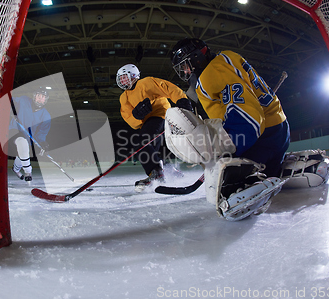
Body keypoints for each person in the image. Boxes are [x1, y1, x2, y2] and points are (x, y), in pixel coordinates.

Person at [166, 38, 291, 220]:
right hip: (279, 131)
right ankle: (281, 170)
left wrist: (229, 147)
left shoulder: (211, 73)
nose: (185, 71)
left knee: (223, 183)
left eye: (185, 65)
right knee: (270, 170)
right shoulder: (228, 57)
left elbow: (249, 119)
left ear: (196, 58)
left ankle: (251, 180)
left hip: (259, 138)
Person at [116, 63, 193, 192]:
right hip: (148, 122)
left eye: (124, 77)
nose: (122, 81)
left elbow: (167, 87)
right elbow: (132, 121)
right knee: (152, 149)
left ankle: (156, 172)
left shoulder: (146, 83)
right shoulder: (124, 97)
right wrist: (137, 115)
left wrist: (181, 99)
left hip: (161, 115)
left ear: (133, 75)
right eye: (120, 79)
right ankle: (168, 171)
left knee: (142, 143)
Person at [9, 88, 51, 182]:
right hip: (14, 130)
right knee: (22, 142)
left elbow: (42, 133)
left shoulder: (46, 116)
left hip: (27, 136)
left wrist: (42, 142)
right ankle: (28, 171)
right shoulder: (24, 100)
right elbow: (11, 100)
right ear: (34, 96)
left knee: (23, 153)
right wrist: (11, 103)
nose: (40, 98)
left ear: (45, 100)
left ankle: (15, 169)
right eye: (38, 96)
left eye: (43, 97)